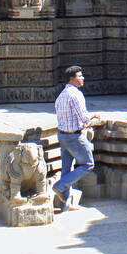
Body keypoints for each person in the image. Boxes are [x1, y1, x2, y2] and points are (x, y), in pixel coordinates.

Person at [52, 66, 104, 211]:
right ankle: (59, 186)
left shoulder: (61, 95)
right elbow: (84, 118)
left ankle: (65, 204)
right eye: (80, 76)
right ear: (72, 79)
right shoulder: (75, 94)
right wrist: (95, 115)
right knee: (88, 164)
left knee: (66, 169)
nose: (83, 78)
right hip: (74, 136)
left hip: (62, 135)